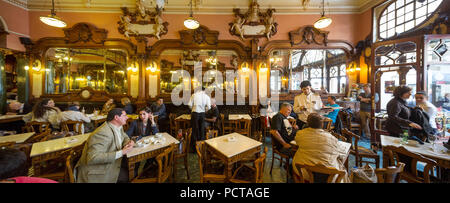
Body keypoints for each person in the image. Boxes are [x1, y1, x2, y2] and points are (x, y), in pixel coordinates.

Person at [75, 108, 135, 183]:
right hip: (97, 171)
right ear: (116, 117)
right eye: (124, 115)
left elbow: (124, 136)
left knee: (133, 171)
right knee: (130, 176)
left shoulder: (118, 126)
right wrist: (122, 152)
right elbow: (93, 157)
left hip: (112, 163)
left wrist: (129, 142)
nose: (127, 117)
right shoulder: (103, 133)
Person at [292, 113, 350, 183]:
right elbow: (340, 152)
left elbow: (298, 142)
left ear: (308, 123)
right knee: (339, 162)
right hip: (327, 175)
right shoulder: (330, 138)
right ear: (322, 124)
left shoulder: (300, 134)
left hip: (303, 172)